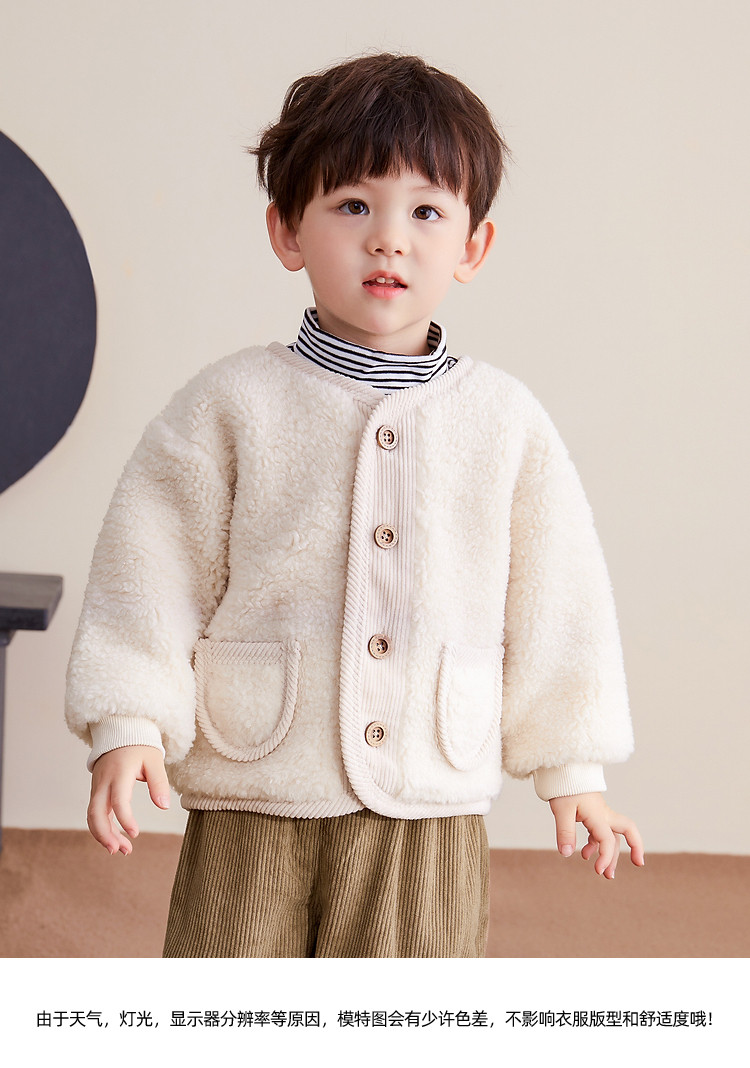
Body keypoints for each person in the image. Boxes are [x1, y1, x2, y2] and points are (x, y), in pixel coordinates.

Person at [65, 52, 644, 958]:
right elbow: (150, 566)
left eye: (426, 212)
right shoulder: (229, 405)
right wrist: (129, 720)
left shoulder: (506, 422)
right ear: (287, 231)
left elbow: (558, 597)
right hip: (257, 784)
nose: (389, 240)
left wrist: (574, 766)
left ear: (474, 246)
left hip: (428, 795)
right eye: (351, 206)